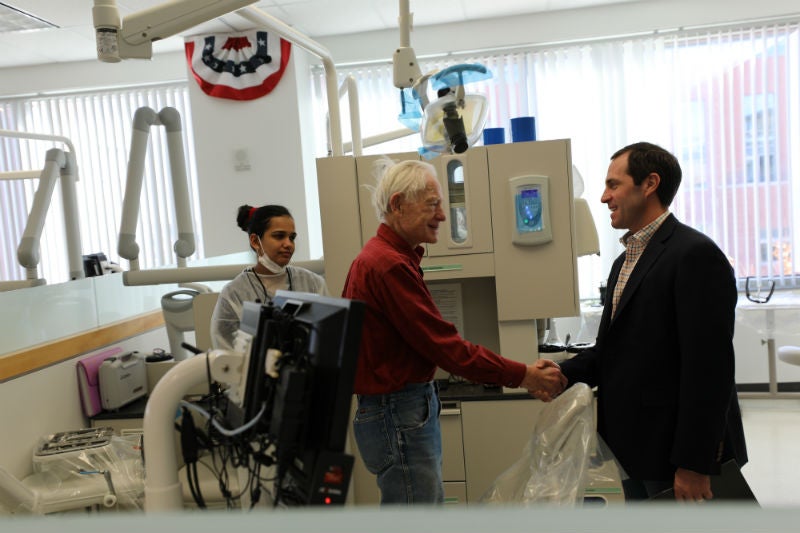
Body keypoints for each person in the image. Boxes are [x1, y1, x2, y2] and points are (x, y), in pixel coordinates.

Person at [342, 157, 566, 505]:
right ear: (397, 204)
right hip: (398, 411)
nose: (443, 216)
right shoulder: (387, 265)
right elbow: (447, 348)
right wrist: (524, 375)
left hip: (394, 410)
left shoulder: (384, 258)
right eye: (433, 205)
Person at [558, 142, 748, 502]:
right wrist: (562, 373)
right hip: (635, 450)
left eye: (614, 185)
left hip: (676, 454)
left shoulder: (694, 255)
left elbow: (709, 369)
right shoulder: (624, 262)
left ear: (649, 184)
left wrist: (694, 463)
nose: (603, 197)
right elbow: (614, 351)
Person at [210, 204, 328, 350]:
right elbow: (227, 354)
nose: (288, 244)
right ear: (255, 241)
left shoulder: (313, 283)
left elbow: (327, 337)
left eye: (292, 237)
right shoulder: (234, 293)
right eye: (279, 236)